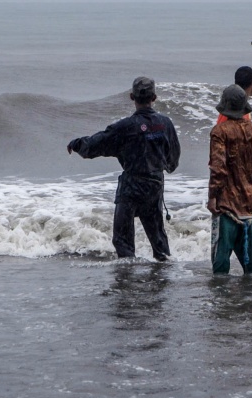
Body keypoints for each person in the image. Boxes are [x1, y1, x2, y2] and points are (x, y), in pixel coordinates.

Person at [68, 77, 181, 261]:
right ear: (154, 97)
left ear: (131, 97)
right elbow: (173, 160)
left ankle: (126, 282)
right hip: (154, 186)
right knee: (159, 242)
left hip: (131, 187)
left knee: (123, 242)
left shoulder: (125, 127)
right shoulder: (165, 124)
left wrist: (76, 144)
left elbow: (96, 144)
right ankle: (162, 279)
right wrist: (163, 167)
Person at [208, 85, 252, 275]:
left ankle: (223, 301)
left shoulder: (219, 132)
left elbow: (218, 169)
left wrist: (212, 197)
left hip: (226, 205)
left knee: (220, 266)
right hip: (248, 204)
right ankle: (250, 300)